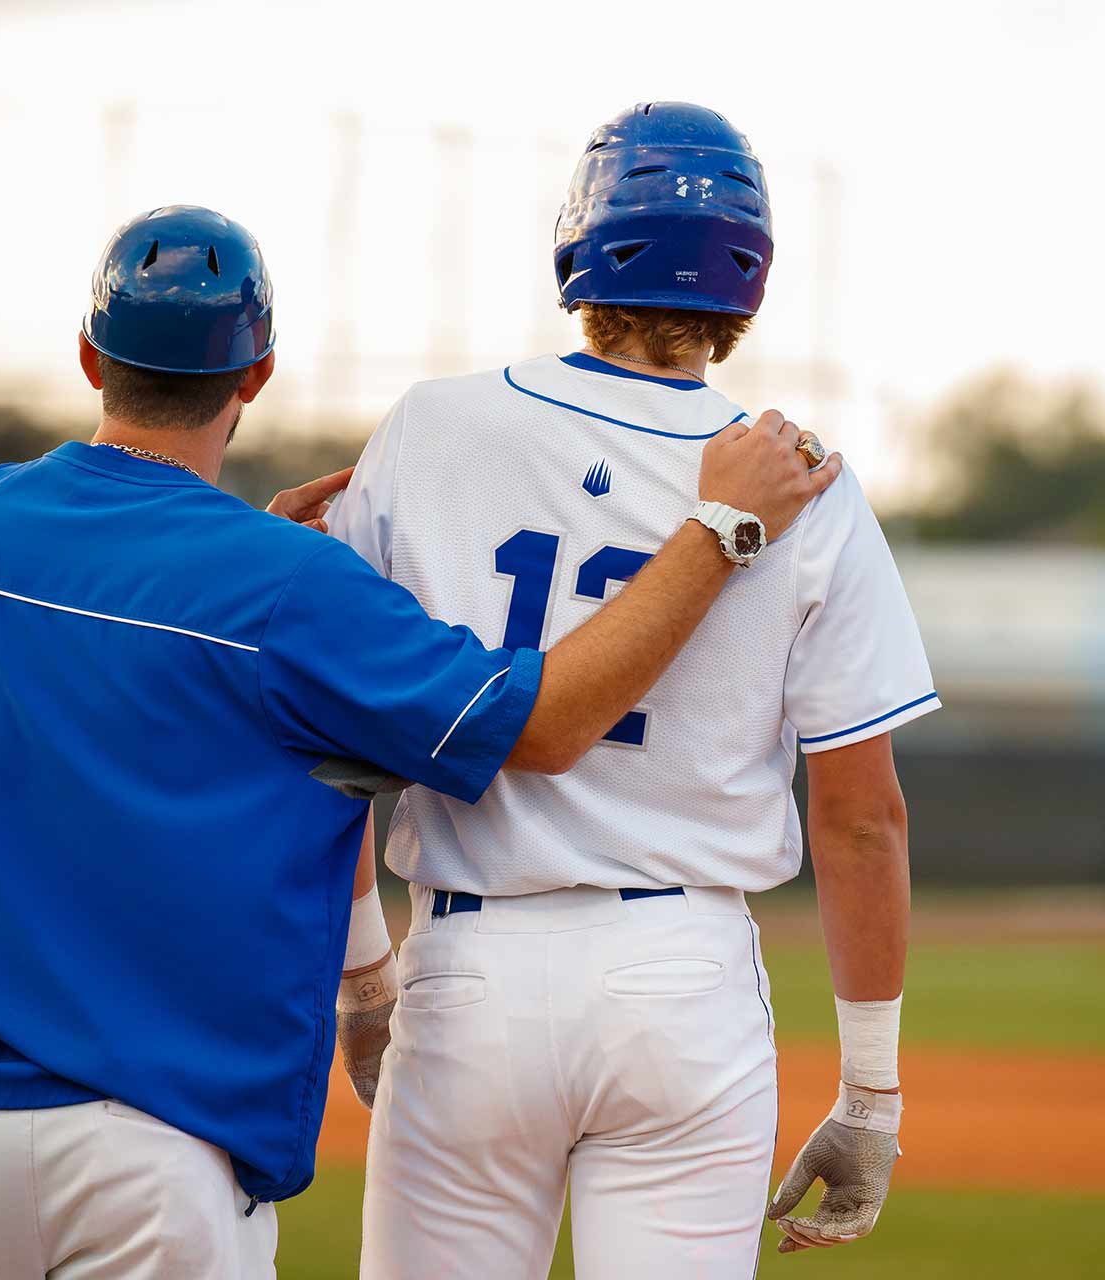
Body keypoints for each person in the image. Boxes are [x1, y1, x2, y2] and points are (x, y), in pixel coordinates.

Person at [0, 203, 837, 1279]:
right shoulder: (285, 589)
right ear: (257, 373)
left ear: (90, 354)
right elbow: (544, 725)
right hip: (151, 1148)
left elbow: (146, 648)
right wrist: (720, 528)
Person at [318, 104, 935, 1277]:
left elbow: (336, 740)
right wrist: (870, 1092)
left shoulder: (432, 427)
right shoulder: (806, 481)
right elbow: (861, 814)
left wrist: (363, 971)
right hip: (683, 980)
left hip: (471, 960)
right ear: (748, 285)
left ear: (578, 249)